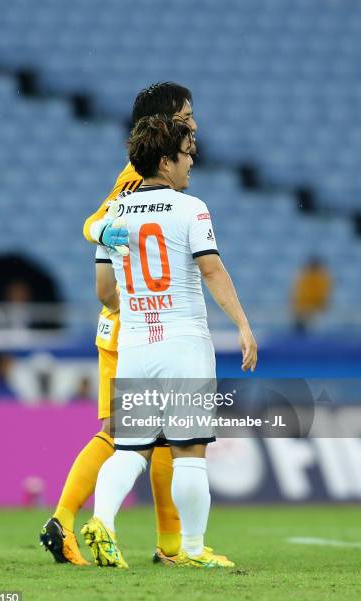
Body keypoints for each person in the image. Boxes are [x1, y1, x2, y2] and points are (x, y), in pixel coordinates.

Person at [80, 116, 257, 568]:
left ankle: (103, 521)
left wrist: (140, 306)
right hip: (183, 343)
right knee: (189, 452)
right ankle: (193, 550)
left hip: (136, 345)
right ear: (165, 160)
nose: (192, 158)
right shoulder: (190, 207)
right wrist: (241, 323)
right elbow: (211, 270)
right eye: (186, 151)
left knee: (130, 449)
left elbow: (103, 291)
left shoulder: (114, 214)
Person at [40, 83, 200, 566]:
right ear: (166, 123)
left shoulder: (157, 178)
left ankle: (168, 544)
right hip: (132, 326)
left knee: (154, 434)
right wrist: (99, 231)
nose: (195, 124)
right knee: (124, 433)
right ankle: (65, 520)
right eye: (187, 117)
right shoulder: (138, 177)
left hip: (137, 325)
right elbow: (96, 221)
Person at [291, 257, 332, 332]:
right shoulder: (304, 277)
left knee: (314, 329)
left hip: (315, 310)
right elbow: (299, 295)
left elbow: (323, 296)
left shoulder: (322, 279)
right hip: (303, 310)